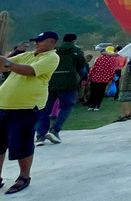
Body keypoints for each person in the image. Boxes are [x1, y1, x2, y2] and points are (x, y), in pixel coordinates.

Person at [0, 31, 60, 194]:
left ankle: (23, 177)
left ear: (51, 42)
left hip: (26, 107)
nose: (36, 43)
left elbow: (29, 71)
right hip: (3, 106)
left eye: (40, 41)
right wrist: (3, 62)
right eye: (36, 41)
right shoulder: (27, 55)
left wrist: (7, 64)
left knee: (22, 143)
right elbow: (4, 65)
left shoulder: (51, 58)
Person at [35, 33, 86, 145]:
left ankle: (40, 136)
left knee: (45, 109)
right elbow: (81, 65)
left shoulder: (55, 50)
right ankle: (55, 130)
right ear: (74, 41)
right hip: (69, 83)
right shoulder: (76, 51)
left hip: (51, 82)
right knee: (66, 106)